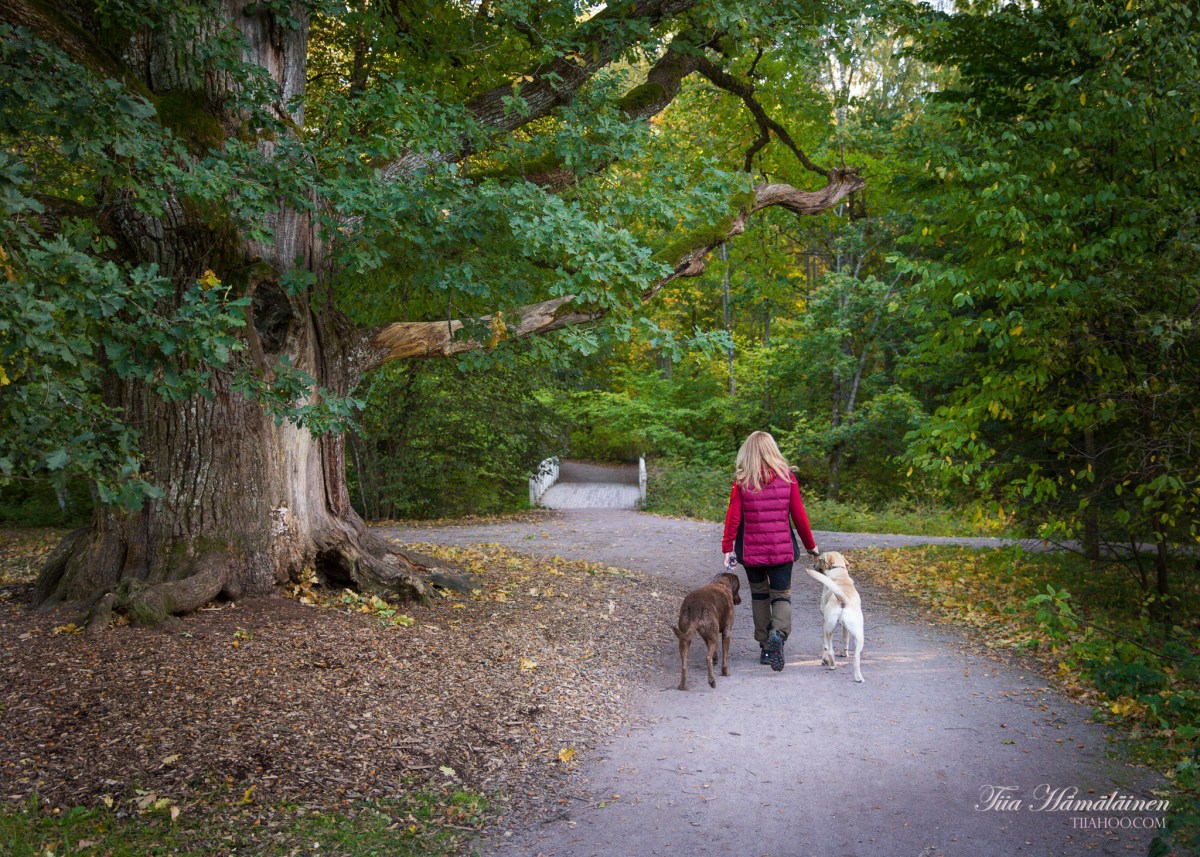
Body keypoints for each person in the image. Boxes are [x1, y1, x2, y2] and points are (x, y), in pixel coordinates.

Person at [721, 431, 819, 672]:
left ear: (748, 452)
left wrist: (727, 547)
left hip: (751, 551)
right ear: (773, 450)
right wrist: (811, 545)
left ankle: (766, 648)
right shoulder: (788, 479)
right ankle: (779, 636)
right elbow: (799, 516)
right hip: (781, 549)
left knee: (760, 596)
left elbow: (733, 517)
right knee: (781, 595)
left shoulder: (742, 481)